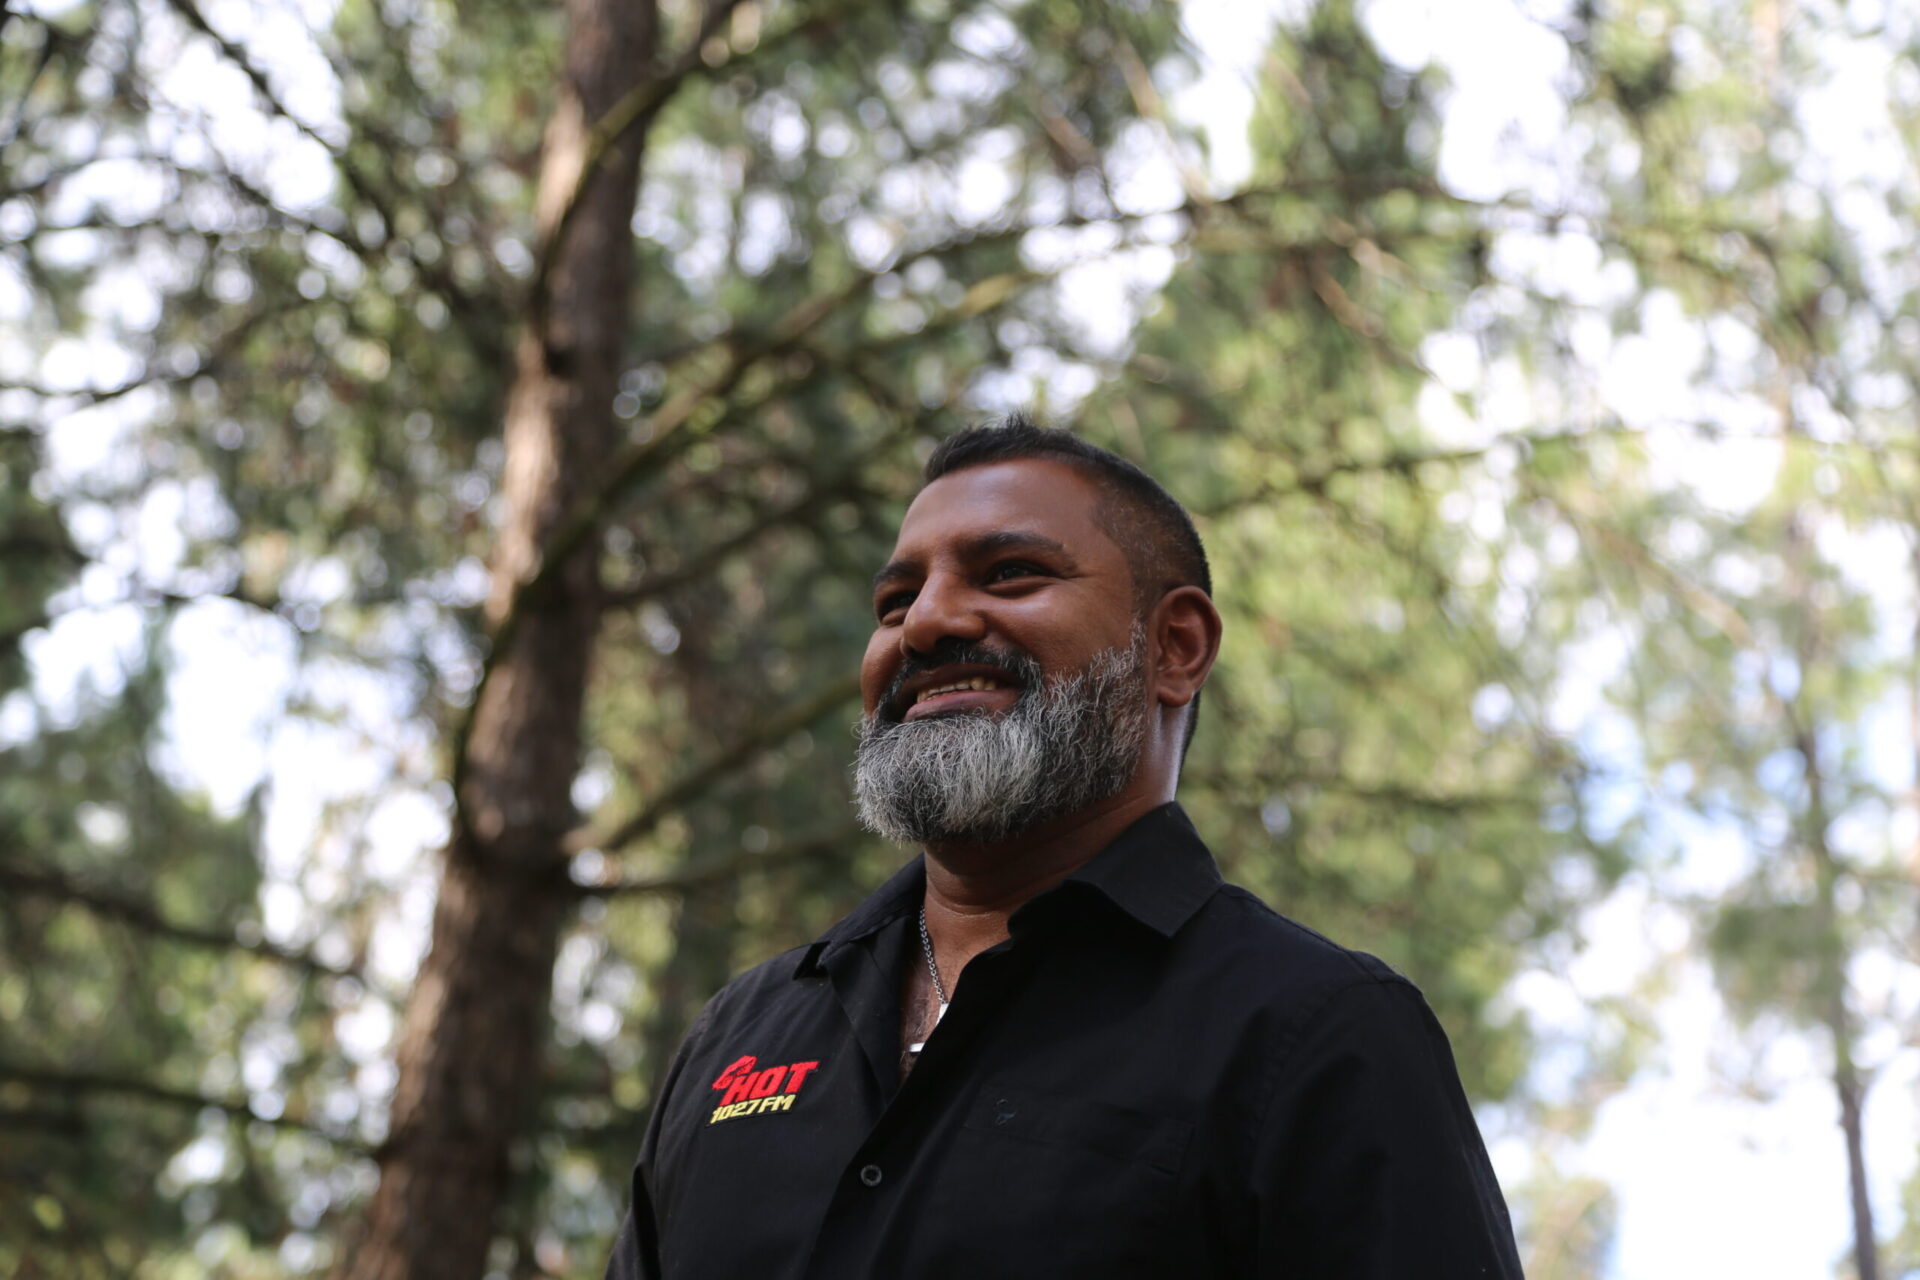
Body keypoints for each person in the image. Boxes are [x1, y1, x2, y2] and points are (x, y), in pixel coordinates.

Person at [605, 415, 1524, 1280]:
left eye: (1008, 574)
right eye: (895, 601)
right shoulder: (739, 1033)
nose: (925, 623)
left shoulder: (1321, 1031)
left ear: (1175, 647)